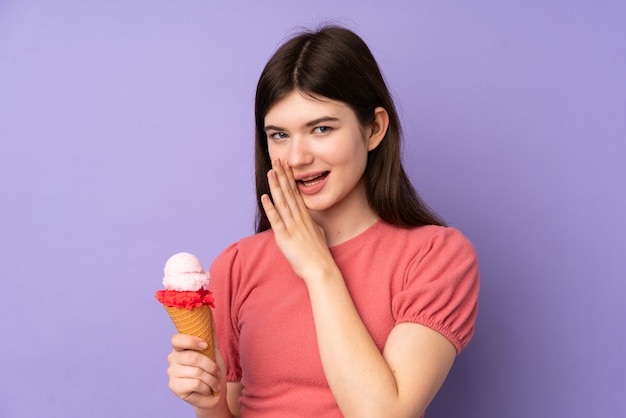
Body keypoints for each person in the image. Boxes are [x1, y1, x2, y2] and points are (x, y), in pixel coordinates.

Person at [166, 25, 479, 418]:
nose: (297, 157)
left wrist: (318, 269)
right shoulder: (238, 264)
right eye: (279, 135)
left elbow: (383, 414)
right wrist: (208, 403)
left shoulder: (436, 257)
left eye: (321, 128)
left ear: (374, 128)